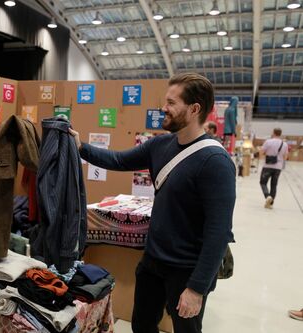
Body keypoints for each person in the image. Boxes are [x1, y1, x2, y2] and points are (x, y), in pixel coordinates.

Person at [70, 73, 236, 333]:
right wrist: (80, 146)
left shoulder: (215, 162)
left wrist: (197, 288)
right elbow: (118, 161)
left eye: (171, 103)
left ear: (194, 109)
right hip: (152, 262)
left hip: (186, 271)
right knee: (142, 325)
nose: (163, 109)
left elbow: (218, 232)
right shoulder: (161, 144)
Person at [259, 128, 288, 209]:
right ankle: (271, 204)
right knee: (274, 184)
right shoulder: (284, 144)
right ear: (280, 134)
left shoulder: (268, 141)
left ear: (274, 133)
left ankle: (267, 196)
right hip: (278, 167)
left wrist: (266, 154)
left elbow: (261, 152)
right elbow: (285, 157)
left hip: (267, 166)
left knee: (263, 182)